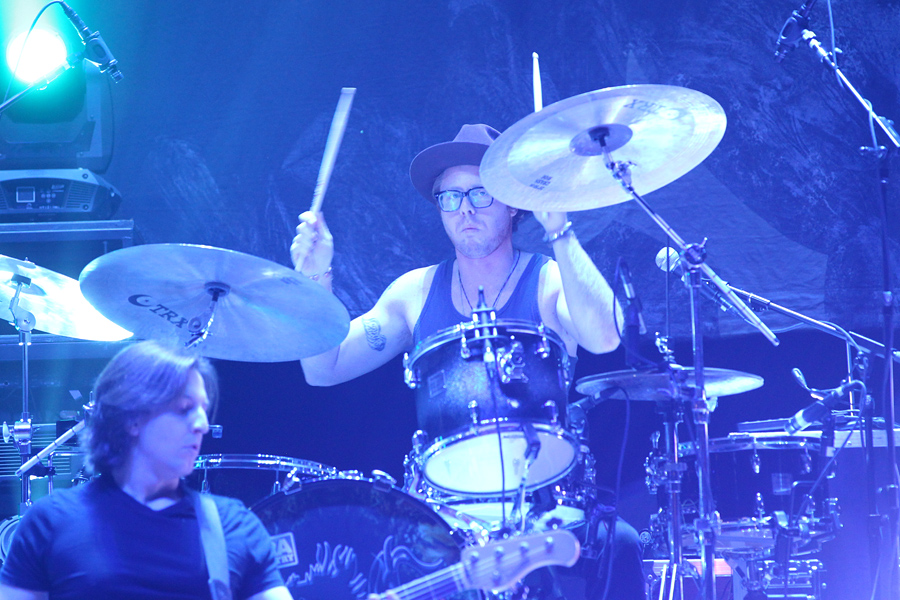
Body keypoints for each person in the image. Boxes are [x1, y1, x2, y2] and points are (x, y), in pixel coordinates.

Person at [290, 123, 645, 599]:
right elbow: (323, 368)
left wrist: (560, 230)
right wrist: (314, 278)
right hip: (445, 513)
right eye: (451, 197)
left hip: (546, 507)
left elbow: (605, 337)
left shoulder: (548, 281)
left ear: (513, 203)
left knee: (621, 543)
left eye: (481, 193)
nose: (466, 209)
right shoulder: (414, 292)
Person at [0, 340, 292, 600]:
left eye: (203, 409)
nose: (202, 424)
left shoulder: (233, 525)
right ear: (132, 418)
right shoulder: (50, 522)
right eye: (184, 408)